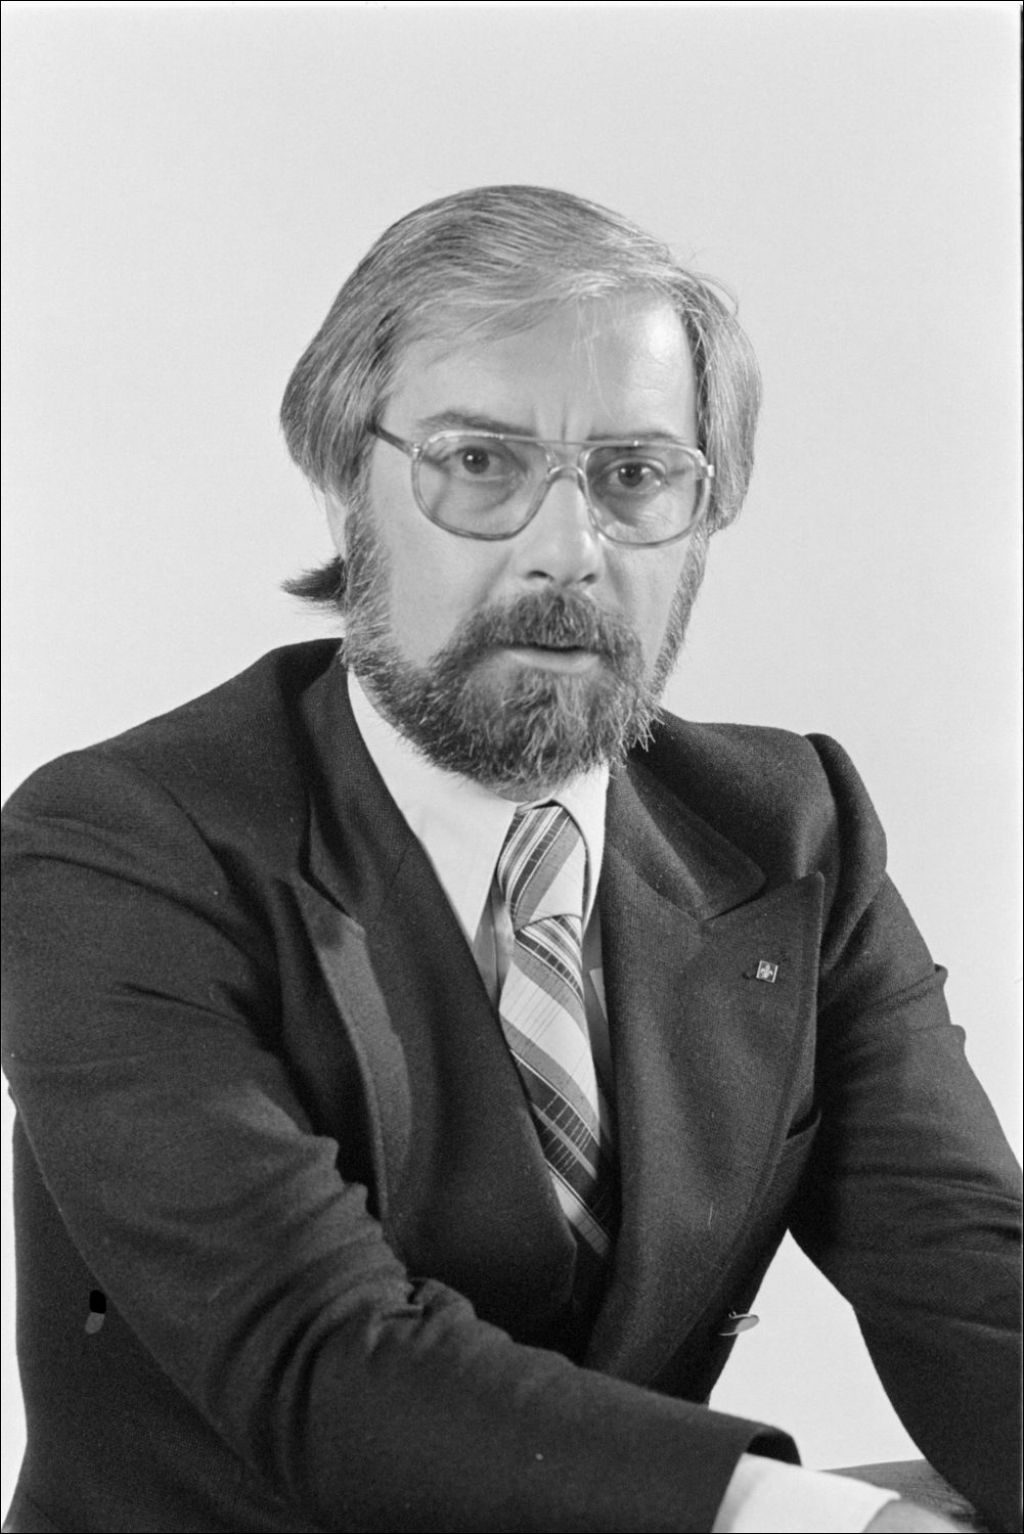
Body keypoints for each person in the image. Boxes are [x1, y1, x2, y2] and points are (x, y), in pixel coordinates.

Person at [1, 185, 1019, 1534]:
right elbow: (328, 1360)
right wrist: (830, 1524)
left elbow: (971, 1284)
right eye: (480, 463)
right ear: (343, 484)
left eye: (634, 475)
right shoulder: (115, 847)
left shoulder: (793, 832)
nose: (567, 551)